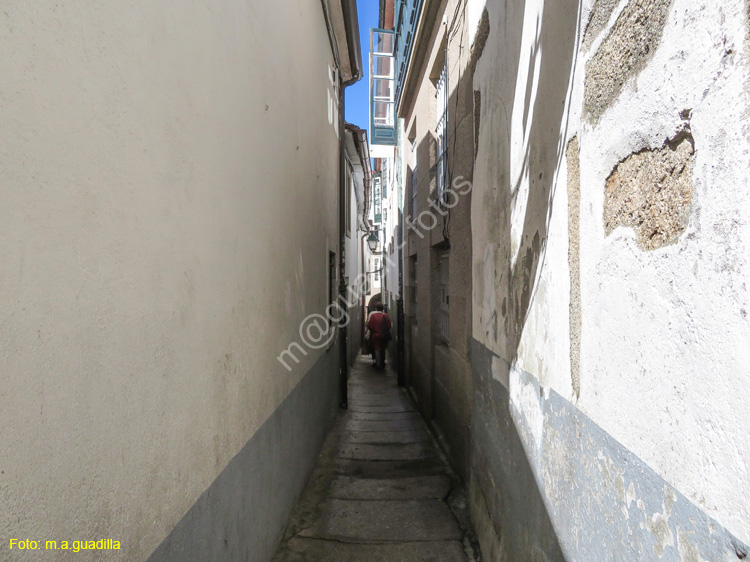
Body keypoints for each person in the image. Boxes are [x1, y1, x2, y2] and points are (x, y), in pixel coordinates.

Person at [366, 302, 391, 371]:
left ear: (376, 308)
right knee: (383, 349)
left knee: (377, 349)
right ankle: (382, 363)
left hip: (375, 336)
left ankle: (378, 365)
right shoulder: (385, 316)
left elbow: (370, 326)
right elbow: (389, 326)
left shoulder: (373, 316)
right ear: (383, 308)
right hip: (384, 335)